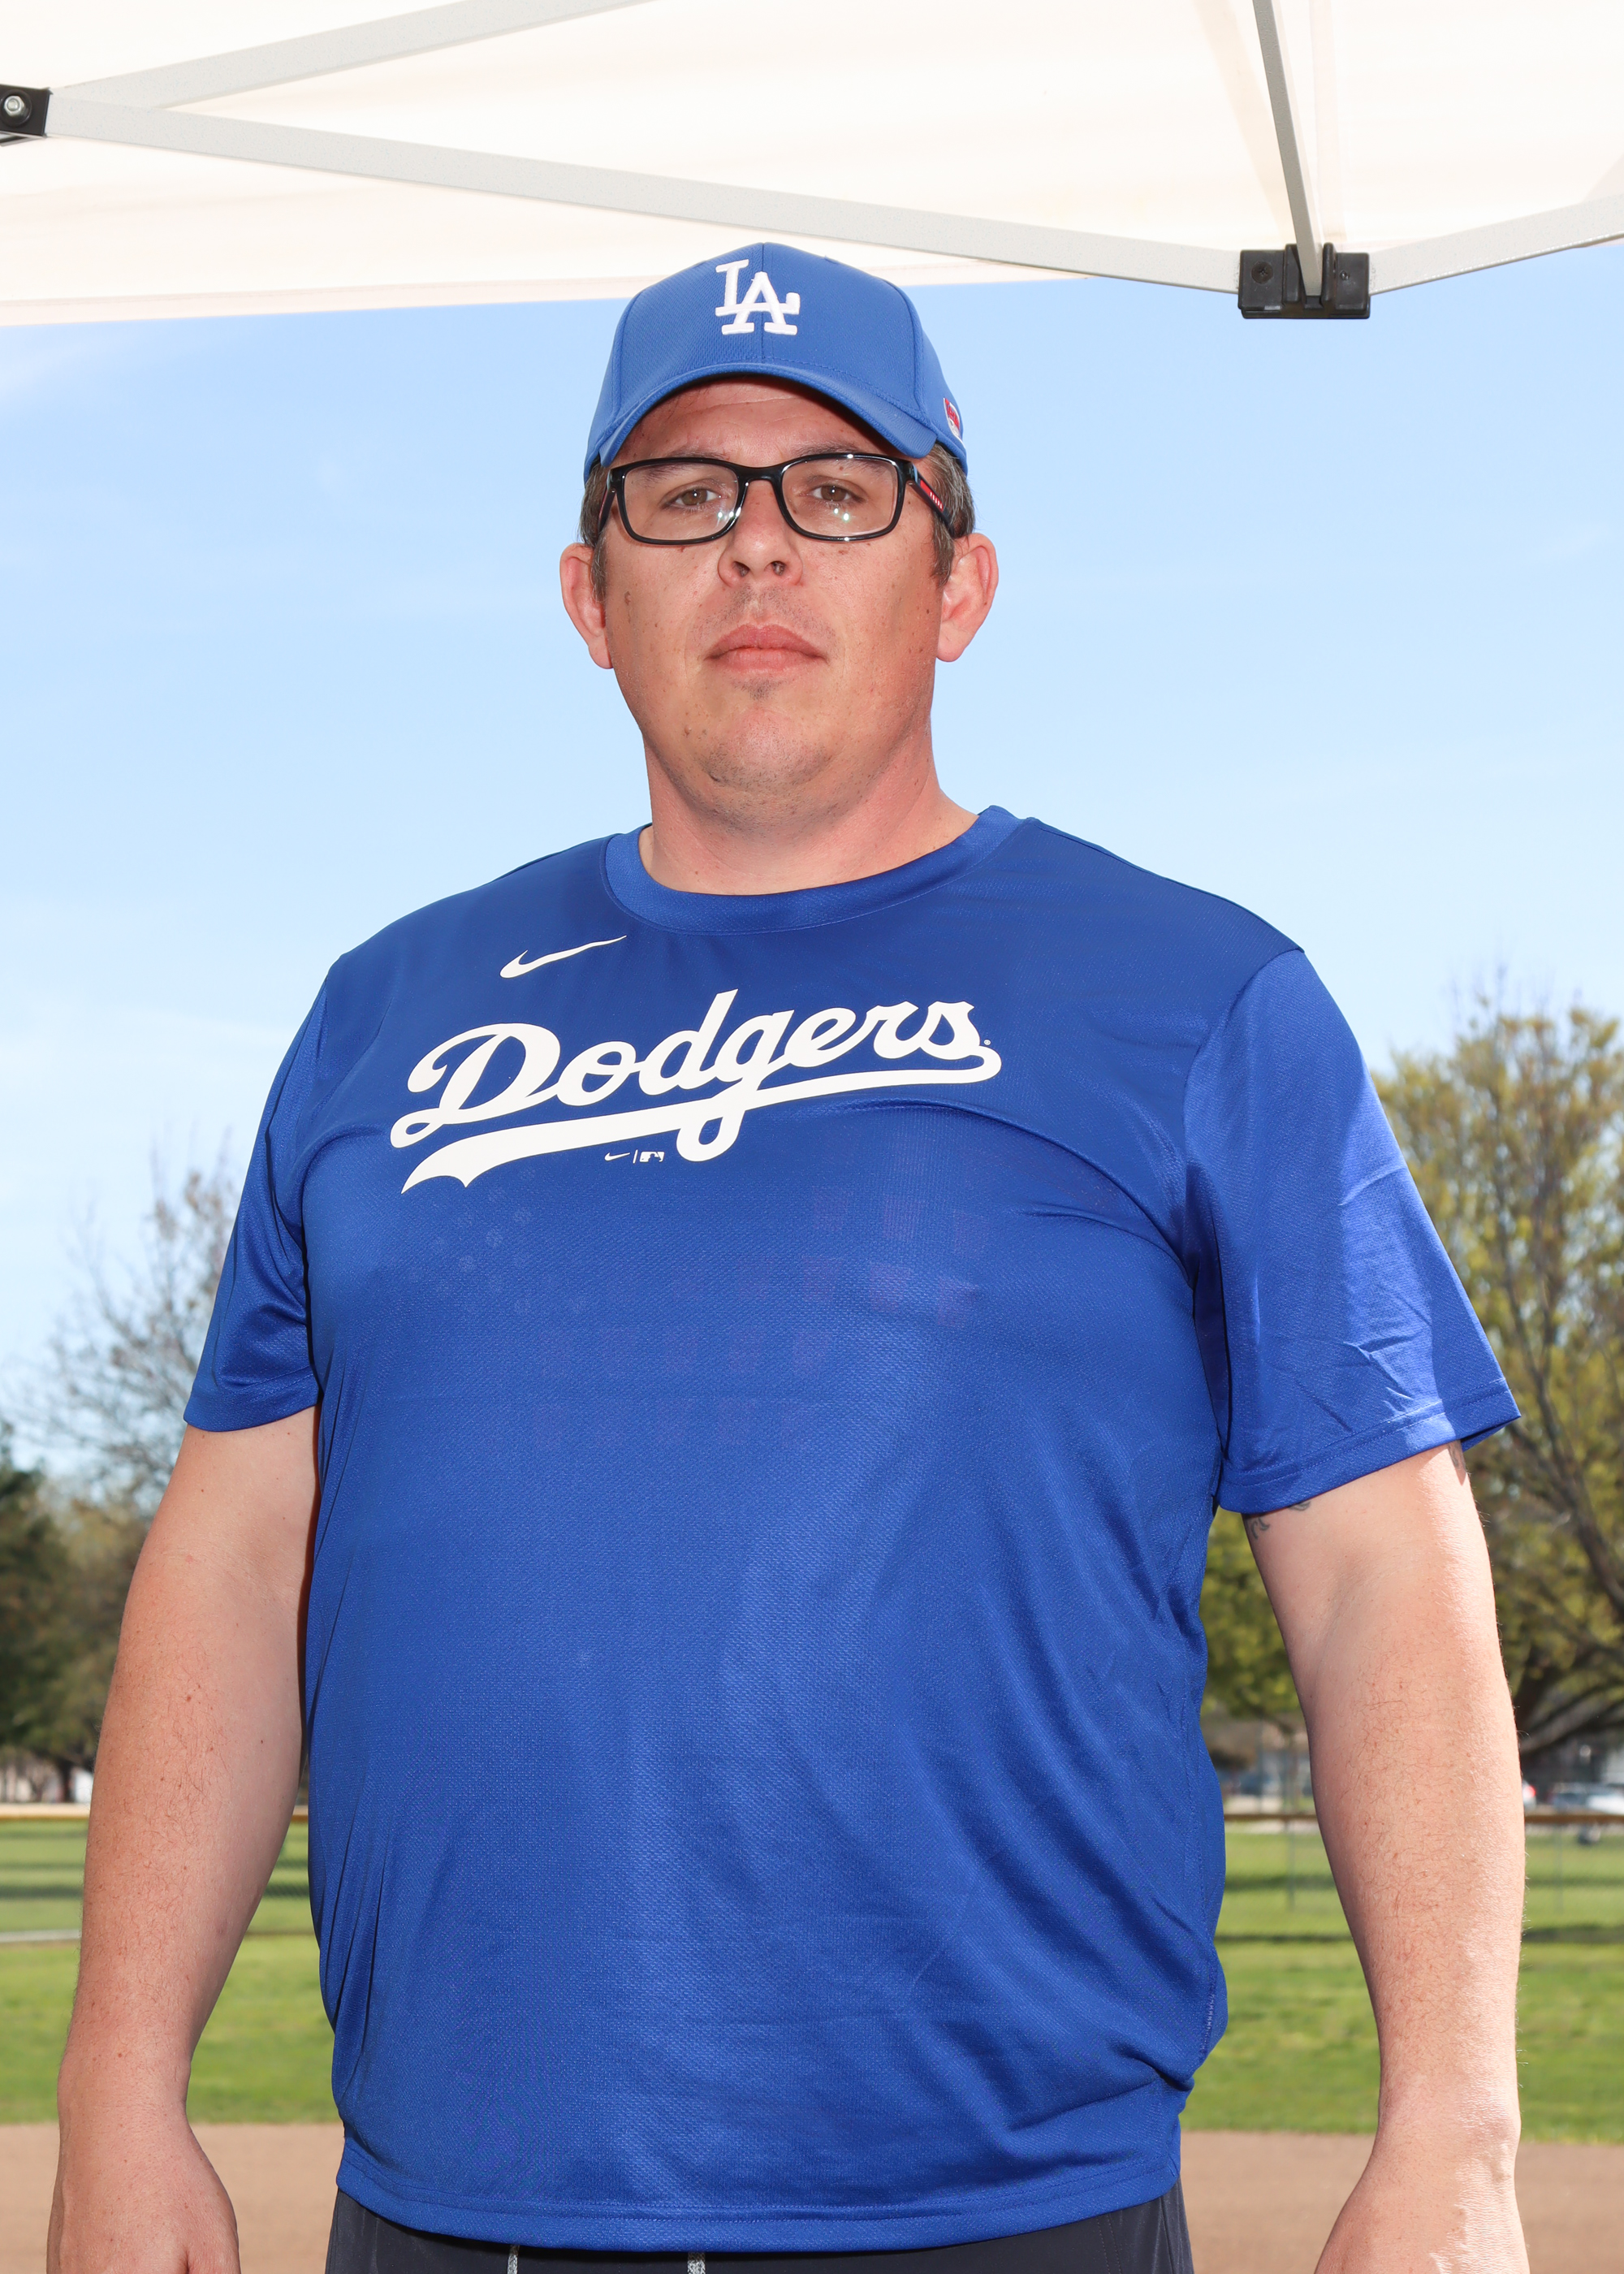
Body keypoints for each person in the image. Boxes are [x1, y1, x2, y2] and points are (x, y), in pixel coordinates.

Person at [51, 244, 1530, 2274]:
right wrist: (119, 2087)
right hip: (452, 2206)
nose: (757, 543)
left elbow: (1381, 1574)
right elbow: (237, 1553)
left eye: (836, 488)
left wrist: (1454, 2129)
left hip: (1007, 2213)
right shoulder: (382, 1018)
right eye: (684, 494)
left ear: (958, 581)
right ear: (590, 595)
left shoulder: (1201, 999)